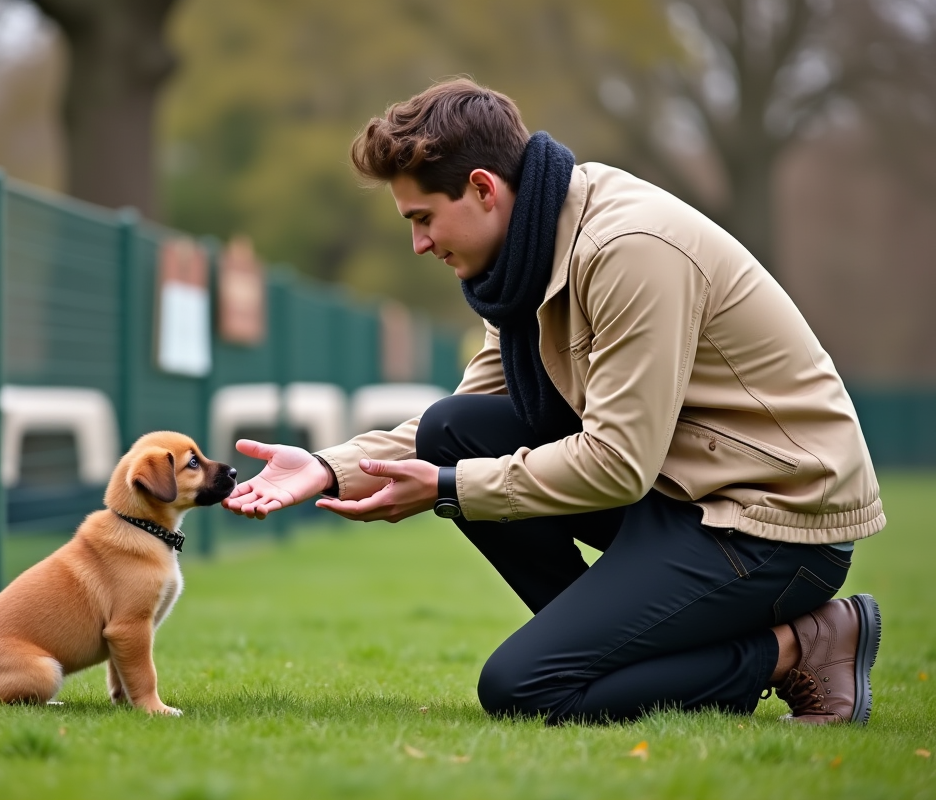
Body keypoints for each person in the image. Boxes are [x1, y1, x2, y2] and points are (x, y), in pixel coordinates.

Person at [222, 78, 885, 725]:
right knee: (455, 430)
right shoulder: (524, 256)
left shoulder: (628, 249)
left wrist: (451, 489)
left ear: (483, 188)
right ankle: (622, 662)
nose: (419, 243)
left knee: (525, 687)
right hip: (683, 494)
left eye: (423, 218)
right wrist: (328, 466)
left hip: (774, 523)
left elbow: (620, 461)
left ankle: (801, 644)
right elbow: (462, 421)